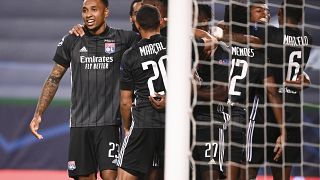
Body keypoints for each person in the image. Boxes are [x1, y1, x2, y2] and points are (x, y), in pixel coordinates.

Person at [29, 0, 139, 179]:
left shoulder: (123, 39)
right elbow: (54, 78)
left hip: (109, 123)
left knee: (111, 176)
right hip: (80, 124)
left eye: (94, 10)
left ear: (106, 12)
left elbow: (150, 36)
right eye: (85, 10)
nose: (88, 14)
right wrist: (38, 113)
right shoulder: (71, 40)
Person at [221, 3, 284, 179]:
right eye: (259, 10)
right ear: (247, 16)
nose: (265, 14)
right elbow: (272, 92)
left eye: (267, 11)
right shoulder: (257, 46)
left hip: (224, 113)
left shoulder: (219, 43)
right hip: (243, 114)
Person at [116, 5, 167, 180]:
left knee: (123, 176)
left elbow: (125, 101)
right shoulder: (177, 45)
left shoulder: (130, 55)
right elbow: (194, 81)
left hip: (144, 122)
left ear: (137, 25)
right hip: (174, 125)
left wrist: (126, 126)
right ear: (161, 22)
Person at [266, 0, 312, 179]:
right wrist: (304, 79)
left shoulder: (271, 34)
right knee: (283, 175)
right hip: (292, 111)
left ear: (279, 12)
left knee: (248, 169)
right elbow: (300, 73)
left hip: (270, 108)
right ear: (301, 17)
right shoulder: (307, 38)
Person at [192, 4, 230, 180]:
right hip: (186, 123)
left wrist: (189, 94)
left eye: (193, 16)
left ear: (205, 20)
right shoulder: (184, 48)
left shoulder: (221, 50)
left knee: (211, 173)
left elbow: (222, 93)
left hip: (211, 122)